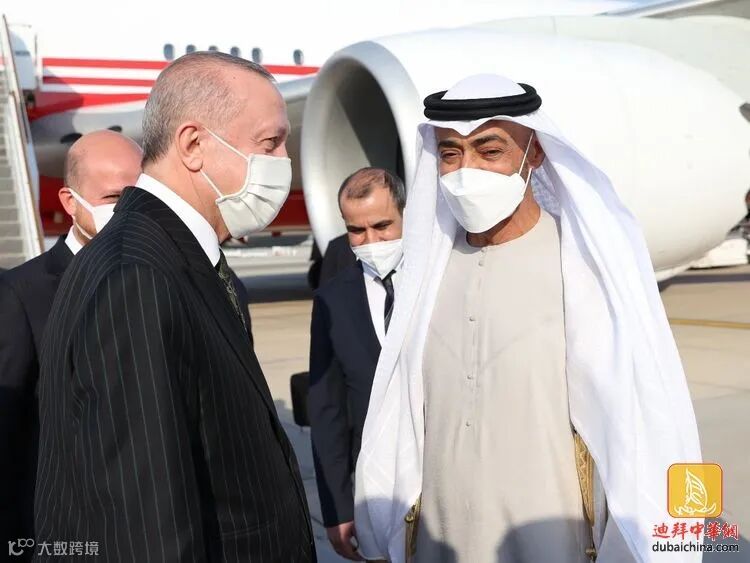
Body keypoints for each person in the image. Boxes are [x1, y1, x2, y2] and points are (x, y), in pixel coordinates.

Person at [353, 75, 701, 563]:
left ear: (533, 153)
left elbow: (650, 417)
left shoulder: (583, 264)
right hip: (440, 541)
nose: (466, 170)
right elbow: (397, 415)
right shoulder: (426, 272)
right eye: (450, 154)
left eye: (489, 150)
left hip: (552, 542)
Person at [34, 52, 314, 562]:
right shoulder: (137, 277)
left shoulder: (168, 256)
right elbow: (146, 525)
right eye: (270, 142)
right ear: (193, 145)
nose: (284, 161)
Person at [0, 130, 141, 556]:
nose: (128, 211)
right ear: (70, 202)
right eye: (113, 197)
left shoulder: (163, 279)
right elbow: (8, 435)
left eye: (139, 197)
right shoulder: (23, 293)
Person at [308, 168, 405, 560]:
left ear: (406, 214)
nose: (371, 241)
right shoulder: (331, 299)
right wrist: (337, 507)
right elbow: (326, 408)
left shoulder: (439, 279)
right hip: (377, 491)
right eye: (356, 230)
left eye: (382, 226)